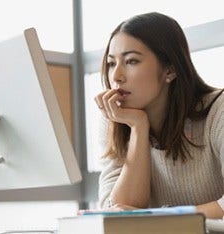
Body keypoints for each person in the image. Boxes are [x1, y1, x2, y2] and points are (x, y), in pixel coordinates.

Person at [94, 12, 224, 219]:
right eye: (111, 63)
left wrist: (164, 217)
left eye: (131, 61)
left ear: (170, 71)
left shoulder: (219, 110)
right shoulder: (116, 118)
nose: (116, 77)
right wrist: (138, 128)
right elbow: (119, 213)